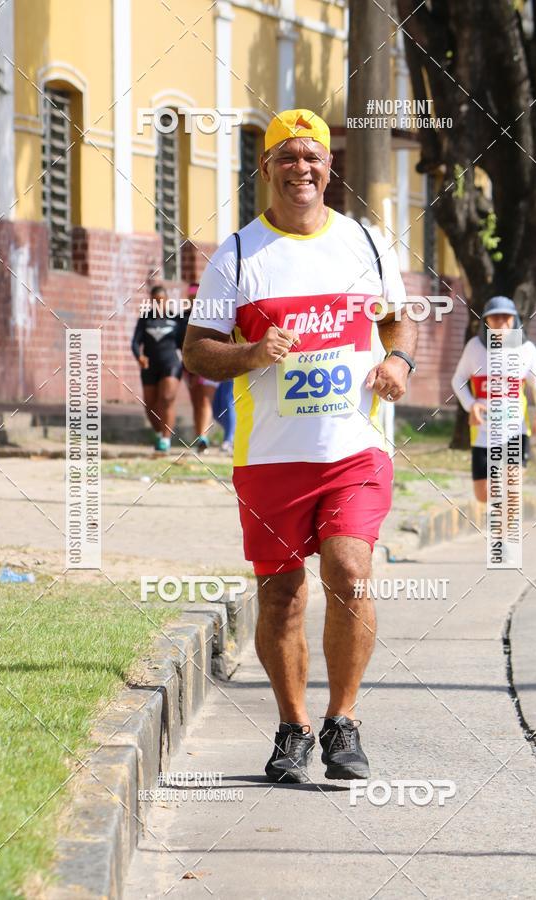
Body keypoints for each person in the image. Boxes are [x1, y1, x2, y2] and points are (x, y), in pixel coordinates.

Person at [183, 108, 417, 783]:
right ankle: (293, 728)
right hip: (270, 457)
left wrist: (397, 364)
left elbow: (400, 324)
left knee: (348, 569)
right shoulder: (237, 255)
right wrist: (252, 352)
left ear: (328, 167)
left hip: (354, 446)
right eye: (287, 156)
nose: (302, 168)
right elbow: (199, 351)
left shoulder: (366, 245)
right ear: (266, 169)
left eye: (312, 156)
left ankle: (343, 723)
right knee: (281, 594)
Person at [451, 295, 536, 503]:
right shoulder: (474, 348)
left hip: (515, 429)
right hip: (483, 432)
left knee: (511, 487)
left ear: (515, 320)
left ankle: (504, 533)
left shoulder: (526, 350)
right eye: (495, 318)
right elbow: (458, 380)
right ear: (486, 321)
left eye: (507, 318)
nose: (502, 323)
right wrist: (471, 405)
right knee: (483, 495)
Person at [131, 284, 186, 453]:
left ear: (167, 301)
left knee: (167, 398)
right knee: (150, 404)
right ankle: (158, 431)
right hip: (150, 365)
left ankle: (165, 439)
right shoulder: (145, 319)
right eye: (155, 301)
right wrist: (138, 357)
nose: (158, 304)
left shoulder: (176, 320)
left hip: (171, 364)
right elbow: (135, 342)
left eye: (161, 301)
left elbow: (184, 344)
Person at [183, 282, 219, 452]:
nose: (193, 301)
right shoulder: (183, 317)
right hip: (188, 366)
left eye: (196, 298)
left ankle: (204, 436)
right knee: (196, 401)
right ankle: (200, 438)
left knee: (205, 399)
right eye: (191, 298)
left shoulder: (211, 316)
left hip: (208, 363)